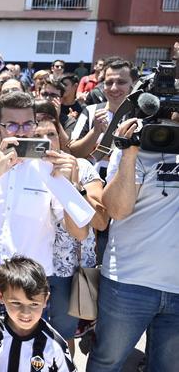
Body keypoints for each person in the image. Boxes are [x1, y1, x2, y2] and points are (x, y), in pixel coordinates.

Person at [0, 91, 86, 348]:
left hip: (31, 291)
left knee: (28, 360)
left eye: (27, 124)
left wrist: (72, 185)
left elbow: (80, 232)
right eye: (12, 125)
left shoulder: (50, 170)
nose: (21, 131)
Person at [86, 106, 179, 371]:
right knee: (107, 362)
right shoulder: (141, 138)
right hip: (128, 282)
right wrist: (129, 154)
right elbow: (116, 210)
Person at [33, 119, 108, 354]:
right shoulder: (23, 170)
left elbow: (101, 222)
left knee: (62, 339)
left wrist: (73, 185)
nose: (46, 141)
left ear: (61, 138)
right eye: (38, 135)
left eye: (51, 134)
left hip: (69, 273)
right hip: (32, 268)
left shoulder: (83, 166)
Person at [0, 256, 75, 372]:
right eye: (16, 303)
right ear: (1, 296)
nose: (25, 313)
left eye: (34, 304)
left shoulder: (55, 346)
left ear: (45, 300)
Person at [68, 59, 137, 177]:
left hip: (129, 182)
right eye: (109, 82)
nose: (114, 88)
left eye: (121, 82)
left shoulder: (141, 115)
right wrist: (95, 132)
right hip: (93, 183)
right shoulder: (90, 111)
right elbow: (74, 153)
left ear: (133, 85)